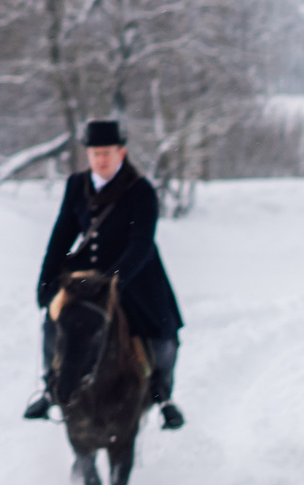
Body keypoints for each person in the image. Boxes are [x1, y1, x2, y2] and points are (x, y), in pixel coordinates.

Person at [24, 119, 185, 430]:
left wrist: (114, 281)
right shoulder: (76, 185)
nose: (101, 160)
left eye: (107, 153)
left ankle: (163, 395)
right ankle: (50, 388)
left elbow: (141, 244)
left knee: (164, 337)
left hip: (135, 276)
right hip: (85, 276)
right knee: (53, 323)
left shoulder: (141, 190)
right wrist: (46, 282)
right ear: (88, 155)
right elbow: (61, 236)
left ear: (120, 153)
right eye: (95, 153)